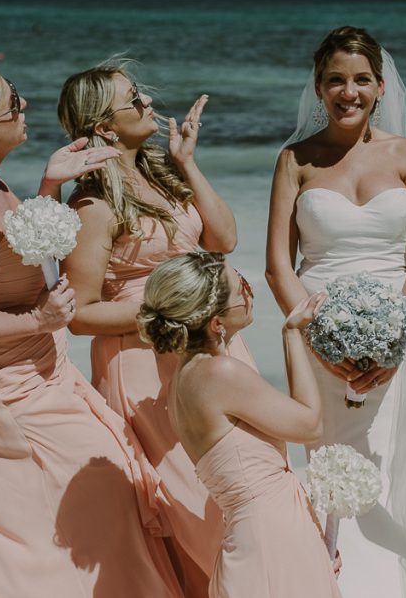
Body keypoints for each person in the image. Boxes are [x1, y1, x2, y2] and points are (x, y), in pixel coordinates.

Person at [0, 63, 180, 597]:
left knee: (64, 516)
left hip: (36, 374)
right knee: (101, 490)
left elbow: (18, 262)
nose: (25, 107)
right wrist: (37, 321)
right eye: (12, 103)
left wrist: (49, 187)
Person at [266, 27, 406, 597]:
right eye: (336, 80)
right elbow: (277, 267)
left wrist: (395, 346)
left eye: (361, 80)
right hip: (316, 336)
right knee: (333, 473)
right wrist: (320, 338)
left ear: (381, 86)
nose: (349, 92)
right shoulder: (294, 160)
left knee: (394, 469)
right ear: (318, 87)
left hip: (399, 334)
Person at [57, 60, 247, 596]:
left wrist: (188, 162)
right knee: (190, 503)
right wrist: (176, 309)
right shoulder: (92, 204)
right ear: (104, 126)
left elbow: (224, 239)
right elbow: (80, 314)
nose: (147, 102)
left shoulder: (164, 174)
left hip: (207, 348)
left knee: (234, 487)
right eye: (133, 99)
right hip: (144, 363)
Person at [137, 251, 341, 598]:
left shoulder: (182, 381)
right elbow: (309, 424)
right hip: (272, 541)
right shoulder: (221, 373)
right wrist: (292, 333)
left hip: (253, 539)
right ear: (216, 323)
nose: (250, 292)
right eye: (240, 288)